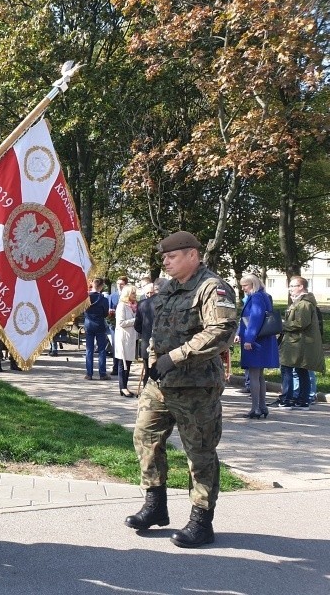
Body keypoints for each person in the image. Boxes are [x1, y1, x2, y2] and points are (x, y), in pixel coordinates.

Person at [124, 231, 236, 548]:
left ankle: (201, 521)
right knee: (144, 437)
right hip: (161, 384)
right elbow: (157, 333)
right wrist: (153, 363)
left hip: (197, 386)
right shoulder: (169, 289)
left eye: (171, 257)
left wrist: (176, 357)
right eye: (163, 257)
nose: (165, 262)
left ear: (191, 255)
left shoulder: (213, 288)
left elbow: (221, 331)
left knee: (199, 453)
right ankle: (155, 504)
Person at [234, 274, 279, 418]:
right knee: (259, 376)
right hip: (262, 340)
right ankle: (262, 407)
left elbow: (255, 318)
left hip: (256, 342)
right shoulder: (263, 295)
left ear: (252, 284)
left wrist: (248, 339)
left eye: (245, 286)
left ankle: (255, 409)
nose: (243, 289)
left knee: (254, 375)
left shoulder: (257, 297)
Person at [277, 276, 325, 408]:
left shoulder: (304, 304)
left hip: (298, 343)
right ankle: (302, 400)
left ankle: (288, 399)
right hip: (297, 342)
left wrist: (282, 325)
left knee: (288, 368)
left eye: (293, 286)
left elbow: (301, 323)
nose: (290, 289)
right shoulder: (301, 302)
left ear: (301, 287)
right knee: (300, 370)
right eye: (290, 286)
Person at [134, 278, 166, 387]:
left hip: (147, 343)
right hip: (165, 344)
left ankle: (146, 396)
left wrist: (146, 334)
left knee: (148, 373)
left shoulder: (143, 303)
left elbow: (137, 326)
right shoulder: (168, 302)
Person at [114, 284, 139, 397]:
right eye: (133, 293)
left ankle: (124, 386)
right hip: (123, 338)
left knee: (128, 363)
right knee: (122, 363)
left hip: (132, 337)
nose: (135, 295)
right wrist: (135, 320)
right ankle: (123, 387)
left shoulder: (133, 306)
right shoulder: (122, 306)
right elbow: (121, 322)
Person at [83, 277, 109, 380]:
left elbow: (82, 310)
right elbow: (106, 313)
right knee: (102, 350)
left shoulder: (86, 298)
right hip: (99, 324)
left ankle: (89, 374)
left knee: (89, 349)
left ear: (92, 285)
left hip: (88, 324)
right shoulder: (104, 299)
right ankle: (102, 373)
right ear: (101, 286)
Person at [108, 275, 129, 375]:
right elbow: (108, 310)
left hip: (126, 325)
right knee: (115, 346)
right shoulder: (112, 296)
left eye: (121, 284)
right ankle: (115, 367)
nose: (119, 286)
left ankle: (125, 367)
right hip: (114, 325)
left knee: (124, 347)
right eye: (118, 284)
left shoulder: (128, 296)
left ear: (125, 285)